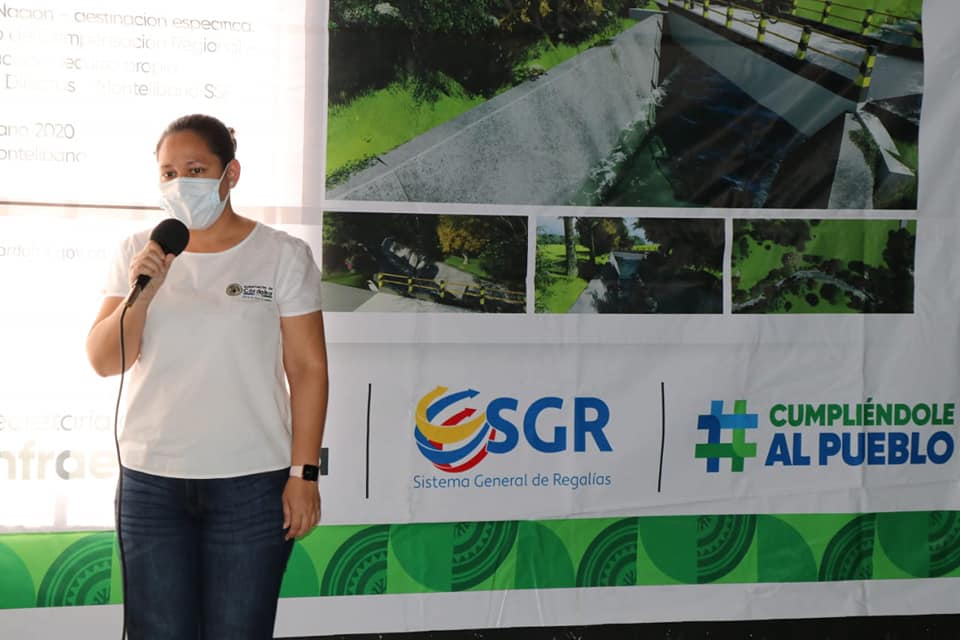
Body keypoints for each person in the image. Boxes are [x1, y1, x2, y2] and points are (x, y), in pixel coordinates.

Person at [85, 113, 328, 639]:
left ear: (230, 174)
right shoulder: (138, 253)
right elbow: (105, 361)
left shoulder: (282, 255)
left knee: (239, 630)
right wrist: (144, 291)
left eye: (195, 169)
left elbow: (307, 369)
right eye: (168, 173)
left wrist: (303, 475)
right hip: (151, 483)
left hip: (252, 483)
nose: (180, 184)